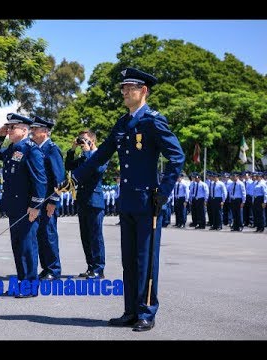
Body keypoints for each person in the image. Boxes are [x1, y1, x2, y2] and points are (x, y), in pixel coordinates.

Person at [58, 67, 185, 331]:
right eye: (123, 88)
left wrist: (163, 191)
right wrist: (74, 178)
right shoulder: (123, 122)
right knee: (129, 259)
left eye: (130, 88)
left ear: (143, 91)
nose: (125, 92)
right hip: (127, 200)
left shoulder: (152, 120)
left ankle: (147, 312)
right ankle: (130, 310)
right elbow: (102, 154)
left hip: (149, 202)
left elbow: (177, 157)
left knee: (145, 259)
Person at [0, 113, 47, 297]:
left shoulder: (31, 150)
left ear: (24, 130)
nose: (9, 130)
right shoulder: (13, 148)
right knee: (18, 246)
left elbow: (40, 179)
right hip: (14, 205)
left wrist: (36, 205)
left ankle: (30, 286)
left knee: (27, 246)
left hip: (26, 207)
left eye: (12, 127)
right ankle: (22, 282)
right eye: (8, 127)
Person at [65, 129, 107, 279]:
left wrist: (89, 152)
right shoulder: (83, 157)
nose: (82, 142)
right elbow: (69, 166)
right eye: (80, 139)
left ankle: (99, 268)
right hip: (82, 200)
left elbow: (97, 169)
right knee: (85, 236)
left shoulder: (100, 154)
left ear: (92, 141)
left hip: (95, 201)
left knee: (96, 236)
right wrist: (72, 149)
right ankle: (90, 266)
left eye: (84, 140)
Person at [30, 115, 65, 281]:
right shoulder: (37, 149)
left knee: (49, 234)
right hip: (40, 201)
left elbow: (59, 179)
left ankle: (54, 269)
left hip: (48, 201)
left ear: (44, 132)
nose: (32, 132)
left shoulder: (52, 149)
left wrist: (53, 201)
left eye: (35, 129)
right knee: (41, 235)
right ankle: (46, 268)